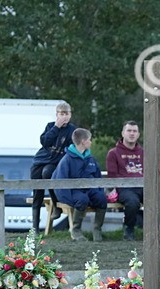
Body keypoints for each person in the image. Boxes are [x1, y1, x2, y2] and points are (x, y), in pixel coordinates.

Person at [51, 128, 105, 241]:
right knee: (82, 199)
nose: (91, 142)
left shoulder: (91, 158)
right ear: (83, 141)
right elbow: (60, 183)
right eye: (89, 139)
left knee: (101, 198)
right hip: (74, 191)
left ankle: (97, 229)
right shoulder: (66, 160)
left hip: (90, 189)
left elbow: (98, 177)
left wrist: (99, 191)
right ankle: (76, 230)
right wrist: (69, 200)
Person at [30, 101, 76, 231]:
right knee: (37, 193)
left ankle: (56, 204)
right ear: (56, 115)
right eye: (61, 114)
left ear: (70, 115)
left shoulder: (72, 130)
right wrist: (56, 127)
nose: (64, 116)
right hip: (41, 160)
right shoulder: (50, 126)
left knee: (48, 173)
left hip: (56, 162)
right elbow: (45, 141)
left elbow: (72, 149)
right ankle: (35, 229)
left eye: (66, 113)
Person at [106, 121, 149, 241]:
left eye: (134, 131)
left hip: (143, 186)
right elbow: (112, 176)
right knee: (132, 201)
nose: (132, 134)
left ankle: (146, 225)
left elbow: (149, 172)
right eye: (129, 131)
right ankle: (129, 229)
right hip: (124, 188)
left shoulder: (144, 153)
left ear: (138, 134)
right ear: (123, 133)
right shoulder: (113, 153)